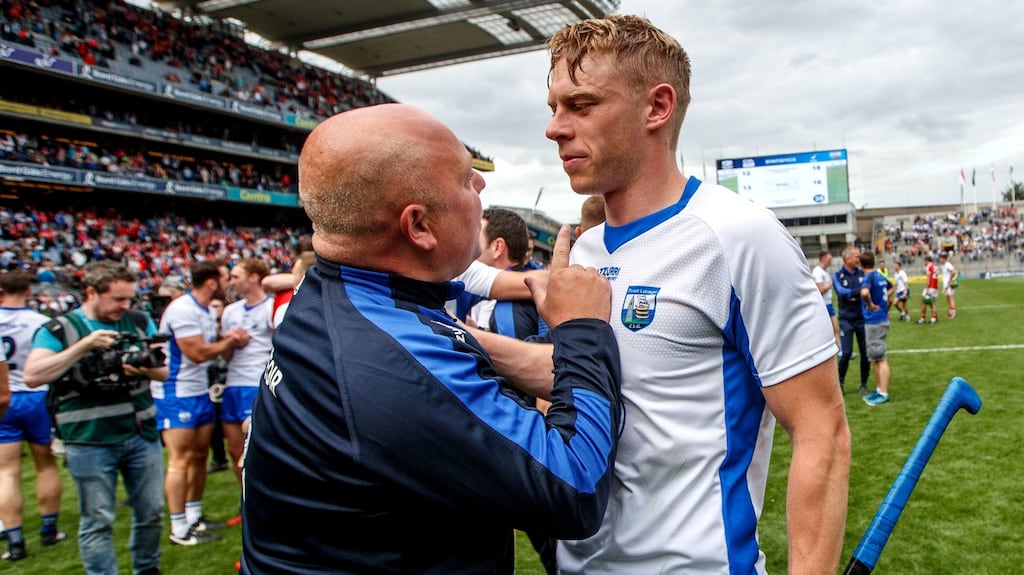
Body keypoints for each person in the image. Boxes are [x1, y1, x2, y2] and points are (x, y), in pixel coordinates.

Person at [476, 15, 849, 574]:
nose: (555, 129)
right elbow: (582, 372)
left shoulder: (737, 237)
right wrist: (452, 343)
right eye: (552, 108)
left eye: (580, 105)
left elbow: (822, 431)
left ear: (657, 107)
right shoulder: (584, 251)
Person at [240, 103, 623, 575]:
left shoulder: (332, 292)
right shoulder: (387, 364)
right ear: (418, 226)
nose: (481, 186)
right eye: (465, 180)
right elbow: (574, 485)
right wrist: (581, 329)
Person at [23, 261, 167, 575]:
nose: (124, 306)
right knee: (98, 520)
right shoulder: (59, 329)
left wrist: (138, 367)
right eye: (117, 299)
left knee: (152, 512)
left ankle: (148, 569)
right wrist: (85, 346)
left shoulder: (139, 320)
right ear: (91, 292)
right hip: (88, 437)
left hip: (140, 432)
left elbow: (164, 370)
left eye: (129, 298)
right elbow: (32, 375)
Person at [153, 259, 249, 546]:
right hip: (175, 391)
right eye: (224, 278)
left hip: (198, 390)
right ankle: (178, 527)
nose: (227, 283)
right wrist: (230, 342)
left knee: (198, 455)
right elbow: (197, 353)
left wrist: (227, 339)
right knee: (180, 460)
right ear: (211, 282)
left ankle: (194, 516)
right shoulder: (182, 309)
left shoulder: (205, 310)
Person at [0, 270, 63, 562]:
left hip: (4, 398)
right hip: (37, 395)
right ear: (28, 290)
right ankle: (49, 530)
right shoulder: (41, 321)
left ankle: (15, 540)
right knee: (46, 465)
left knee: (6, 472)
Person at [219, 258, 273, 489]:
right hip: (233, 383)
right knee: (234, 449)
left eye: (236, 277)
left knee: (258, 450)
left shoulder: (272, 307)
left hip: (256, 381)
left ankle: (265, 498)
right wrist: (230, 342)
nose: (231, 282)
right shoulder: (230, 311)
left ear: (253, 277)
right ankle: (245, 500)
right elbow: (226, 356)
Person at [859, 252, 894, 406]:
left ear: (861, 264)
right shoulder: (879, 276)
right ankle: (879, 390)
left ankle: (884, 393)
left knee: (880, 358)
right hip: (880, 319)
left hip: (874, 321)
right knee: (875, 358)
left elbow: (864, 292)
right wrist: (883, 301)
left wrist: (870, 304)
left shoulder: (869, 277)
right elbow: (891, 287)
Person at [834, 246, 869, 395]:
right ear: (848, 259)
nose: (859, 259)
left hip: (862, 319)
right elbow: (842, 293)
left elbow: (865, 291)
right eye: (856, 257)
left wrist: (853, 295)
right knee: (846, 353)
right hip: (846, 320)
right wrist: (858, 293)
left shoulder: (863, 273)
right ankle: (839, 382)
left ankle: (863, 384)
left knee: (865, 352)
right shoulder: (837, 275)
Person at [813, 250, 841, 350]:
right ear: (823, 258)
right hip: (823, 305)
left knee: (835, 329)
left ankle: (840, 350)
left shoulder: (824, 271)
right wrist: (831, 283)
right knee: (827, 331)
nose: (831, 261)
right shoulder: (818, 271)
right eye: (829, 259)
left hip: (828, 304)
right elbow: (821, 289)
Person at [918, 254, 939, 324]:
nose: (924, 263)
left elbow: (929, 278)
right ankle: (934, 318)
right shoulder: (935, 267)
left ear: (927, 261)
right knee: (932, 303)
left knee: (923, 301)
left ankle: (922, 318)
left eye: (924, 262)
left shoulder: (928, 267)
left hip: (930, 287)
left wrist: (927, 289)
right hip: (935, 287)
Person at [939, 252, 957, 318]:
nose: (939, 259)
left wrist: (950, 280)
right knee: (948, 298)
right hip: (946, 284)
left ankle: (953, 313)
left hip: (948, 284)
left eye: (940, 258)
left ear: (944, 258)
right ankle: (950, 313)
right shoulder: (944, 265)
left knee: (950, 298)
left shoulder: (947, 264)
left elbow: (954, 272)